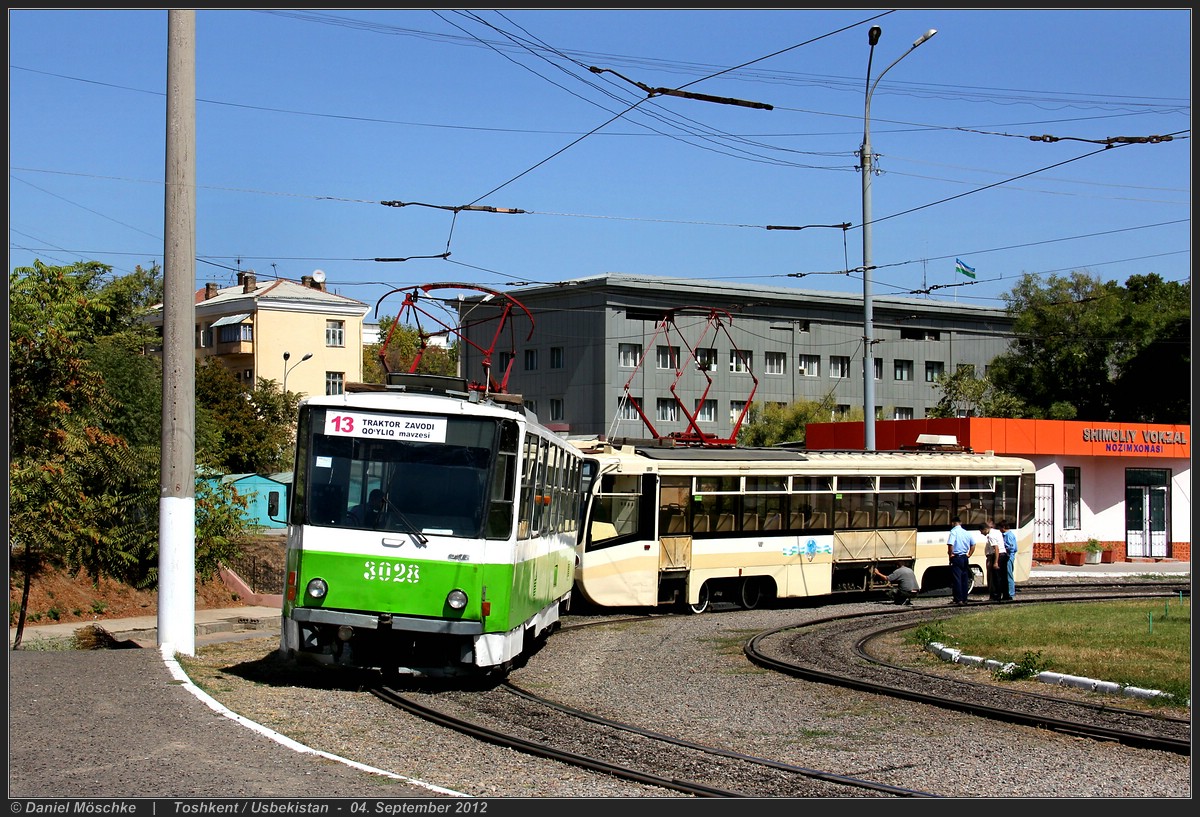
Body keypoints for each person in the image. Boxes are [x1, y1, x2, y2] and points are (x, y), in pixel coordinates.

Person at [946, 516, 975, 606]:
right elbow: (973, 544)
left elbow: (950, 544)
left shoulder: (953, 532)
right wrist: (969, 554)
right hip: (965, 557)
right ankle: (965, 598)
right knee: (964, 578)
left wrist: (950, 554)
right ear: (960, 522)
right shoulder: (966, 533)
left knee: (957, 578)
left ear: (953, 523)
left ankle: (958, 599)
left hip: (957, 557)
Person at [982, 520, 1007, 601]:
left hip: (998, 556)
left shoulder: (991, 536)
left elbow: (996, 548)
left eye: (981, 531)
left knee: (996, 577)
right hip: (1003, 555)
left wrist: (995, 562)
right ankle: (1006, 595)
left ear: (985, 529)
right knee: (1003, 577)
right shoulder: (997, 532)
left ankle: (996, 596)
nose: (981, 533)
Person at [999, 519, 1017, 601]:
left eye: (1000, 528)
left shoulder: (1008, 535)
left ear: (1003, 527)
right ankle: (1007, 593)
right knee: (1005, 575)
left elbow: (1012, 547)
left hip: (1008, 556)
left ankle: (1010, 593)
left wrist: (1004, 547)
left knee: (1008, 575)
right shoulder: (1006, 535)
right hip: (1007, 556)